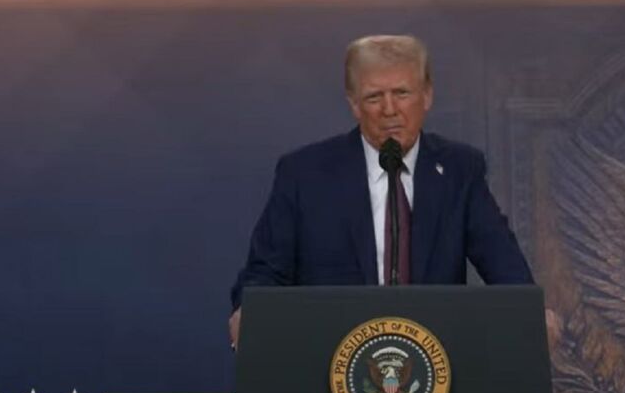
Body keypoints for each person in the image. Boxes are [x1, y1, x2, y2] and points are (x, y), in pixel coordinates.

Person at [229, 34, 559, 349]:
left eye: (402, 93)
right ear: (354, 104)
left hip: (436, 358)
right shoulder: (305, 174)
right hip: (331, 355)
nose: (389, 110)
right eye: (374, 97)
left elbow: (501, 260)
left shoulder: (459, 171)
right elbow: (265, 272)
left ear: (427, 96)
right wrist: (249, 311)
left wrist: (530, 311)